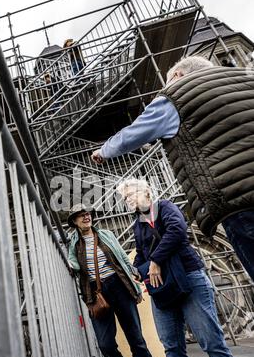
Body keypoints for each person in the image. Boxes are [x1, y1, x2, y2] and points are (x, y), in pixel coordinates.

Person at [91, 56, 254, 282]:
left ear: (177, 76)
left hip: (239, 199)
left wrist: (104, 150)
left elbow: (135, 133)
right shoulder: (245, 79)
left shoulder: (176, 96)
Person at [117, 178, 252, 357]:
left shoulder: (165, 207)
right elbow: (140, 255)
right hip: (161, 288)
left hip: (189, 279)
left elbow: (177, 231)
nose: (128, 199)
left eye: (131, 193)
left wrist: (155, 261)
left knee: (213, 343)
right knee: (172, 348)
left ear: (146, 191)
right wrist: (138, 269)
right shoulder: (138, 224)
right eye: (125, 198)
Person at [67, 203, 164, 357]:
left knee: (137, 341)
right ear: (74, 221)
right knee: (106, 344)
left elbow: (120, 256)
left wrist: (134, 275)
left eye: (87, 214)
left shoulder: (106, 235)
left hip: (119, 286)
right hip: (96, 295)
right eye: (80, 216)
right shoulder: (72, 243)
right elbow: (72, 265)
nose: (86, 217)